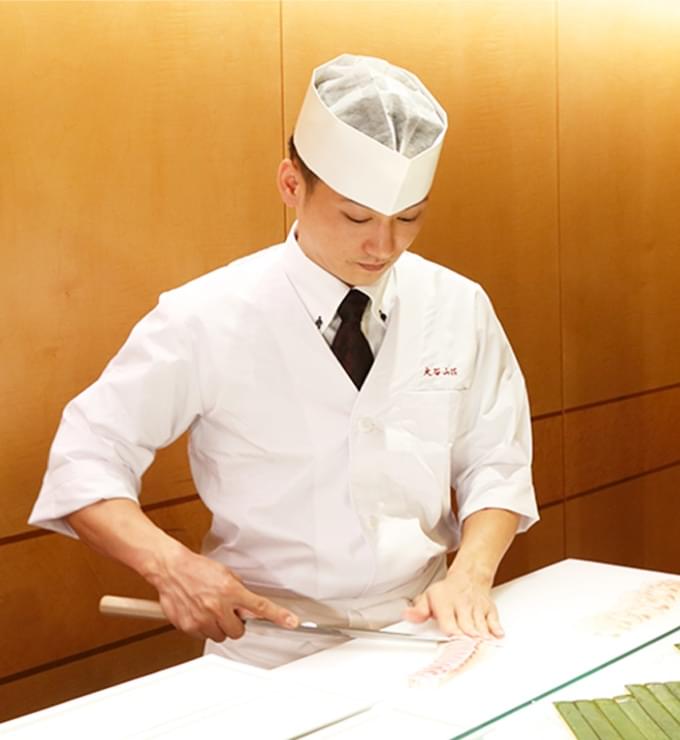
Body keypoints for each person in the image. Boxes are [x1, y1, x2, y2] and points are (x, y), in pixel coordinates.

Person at [30, 54, 538, 669]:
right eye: (356, 217)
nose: (383, 245)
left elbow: (497, 459)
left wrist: (471, 575)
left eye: (409, 218)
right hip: (269, 644)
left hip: (424, 630)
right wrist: (172, 567)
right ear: (292, 185)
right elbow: (85, 458)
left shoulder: (458, 304)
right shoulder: (204, 316)